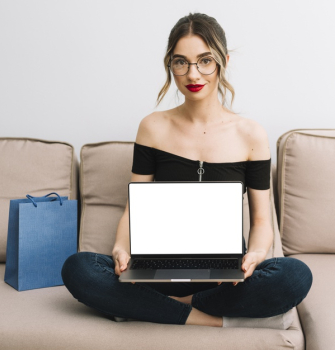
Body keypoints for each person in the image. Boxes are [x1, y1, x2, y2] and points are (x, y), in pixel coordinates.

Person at [61, 12, 313, 328]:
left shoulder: (250, 134)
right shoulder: (152, 127)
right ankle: (210, 319)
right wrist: (121, 248)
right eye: (181, 62)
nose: (193, 74)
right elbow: (133, 207)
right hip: (157, 267)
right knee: (78, 268)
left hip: (224, 274)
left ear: (223, 60)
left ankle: (154, 308)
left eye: (204, 60)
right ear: (171, 65)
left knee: (295, 276)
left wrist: (256, 255)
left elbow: (262, 219)